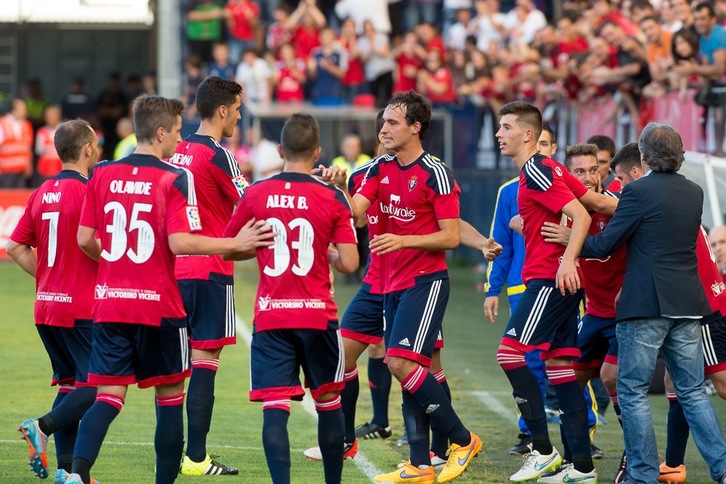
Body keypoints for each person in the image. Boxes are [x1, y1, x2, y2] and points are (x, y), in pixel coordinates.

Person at [65, 94, 273, 484]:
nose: (181, 141)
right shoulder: (177, 177)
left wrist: (116, 262)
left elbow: (84, 238)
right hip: (163, 301)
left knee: (108, 395)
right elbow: (182, 242)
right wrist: (234, 244)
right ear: (160, 132)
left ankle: (76, 475)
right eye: (177, 132)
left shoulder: (103, 173)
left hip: (111, 301)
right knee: (172, 395)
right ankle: (184, 465)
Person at [323, 90, 484, 483]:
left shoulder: (436, 173)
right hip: (388, 283)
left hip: (424, 283)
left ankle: (462, 440)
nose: (384, 129)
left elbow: (449, 236)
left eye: (393, 122)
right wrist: (341, 188)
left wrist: (404, 239)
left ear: (416, 127)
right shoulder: (378, 169)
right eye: (383, 122)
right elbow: (355, 215)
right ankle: (420, 465)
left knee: (402, 363)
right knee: (405, 366)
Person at [580, 122, 726, 484]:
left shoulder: (637, 193)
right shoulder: (694, 192)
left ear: (643, 158)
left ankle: (642, 474)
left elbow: (604, 246)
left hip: (646, 304)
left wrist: (573, 238)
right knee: (692, 392)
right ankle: (723, 469)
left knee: (631, 391)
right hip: (689, 304)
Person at [223, 113, 359, 484]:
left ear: (280, 149)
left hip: (272, 317)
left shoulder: (255, 194)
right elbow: (349, 262)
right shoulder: (332, 197)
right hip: (318, 316)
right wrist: (327, 252)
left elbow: (230, 248)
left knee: (275, 406)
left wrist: (257, 246)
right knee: (329, 401)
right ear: (317, 152)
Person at [494, 101, 616, 484]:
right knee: (561, 369)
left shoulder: (536, 169)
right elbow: (596, 203)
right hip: (561, 282)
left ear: (527, 134)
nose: (499, 134)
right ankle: (581, 465)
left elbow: (581, 216)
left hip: (550, 279)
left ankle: (543, 452)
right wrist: (644, 210)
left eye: (506, 127)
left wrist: (567, 259)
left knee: (509, 355)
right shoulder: (551, 168)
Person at [8, 119, 100, 483]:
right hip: (79, 306)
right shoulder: (90, 192)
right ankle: (41, 426)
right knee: (98, 384)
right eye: (95, 144)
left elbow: (15, 246)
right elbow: (92, 242)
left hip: (46, 305)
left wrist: (47, 278)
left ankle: (67, 473)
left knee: (70, 385)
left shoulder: (42, 191)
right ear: (87, 149)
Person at [167, 76, 250, 477]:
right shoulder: (220, 155)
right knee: (204, 361)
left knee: (171, 371)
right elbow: (251, 203)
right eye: (236, 109)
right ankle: (196, 458)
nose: (238, 115)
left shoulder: (175, 150)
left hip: (171, 270)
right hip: (210, 267)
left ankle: (172, 459)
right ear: (222, 110)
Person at [541, 143, 628, 483]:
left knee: (611, 379)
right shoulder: (565, 210)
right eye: (580, 171)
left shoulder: (618, 206)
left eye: (595, 169)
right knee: (567, 379)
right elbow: (521, 220)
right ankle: (575, 461)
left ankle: (636, 456)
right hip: (593, 312)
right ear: (566, 173)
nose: (590, 177)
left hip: (623, 313)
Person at [484, 125, 558, 457]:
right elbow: (499, 244)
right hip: (521, 286)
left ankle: (583, 430)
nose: (539, 150)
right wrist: (493, 288)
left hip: (560, 285)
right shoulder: (507, 191)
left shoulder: (561, 187)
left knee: (566, 361)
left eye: (545, 144)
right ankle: (529, 434)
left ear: (552, 148)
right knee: (525, 361)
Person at [0, 98, 34, 188]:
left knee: (20, 199)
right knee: (6, 199)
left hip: (21, 171)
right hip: (6, 172)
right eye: (23, 109)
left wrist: (28, 165)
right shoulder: (2, 123)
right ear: (15, 110)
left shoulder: (27, 125)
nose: (26, 112)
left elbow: (28, 147)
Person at [34, 104, 64, 181]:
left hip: (61, 169)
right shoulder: (41, 131)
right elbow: (39, 151)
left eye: (52, 115)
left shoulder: (65, 130)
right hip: (45, 170)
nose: (49, 118)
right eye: (47, 116)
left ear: (58, 116)